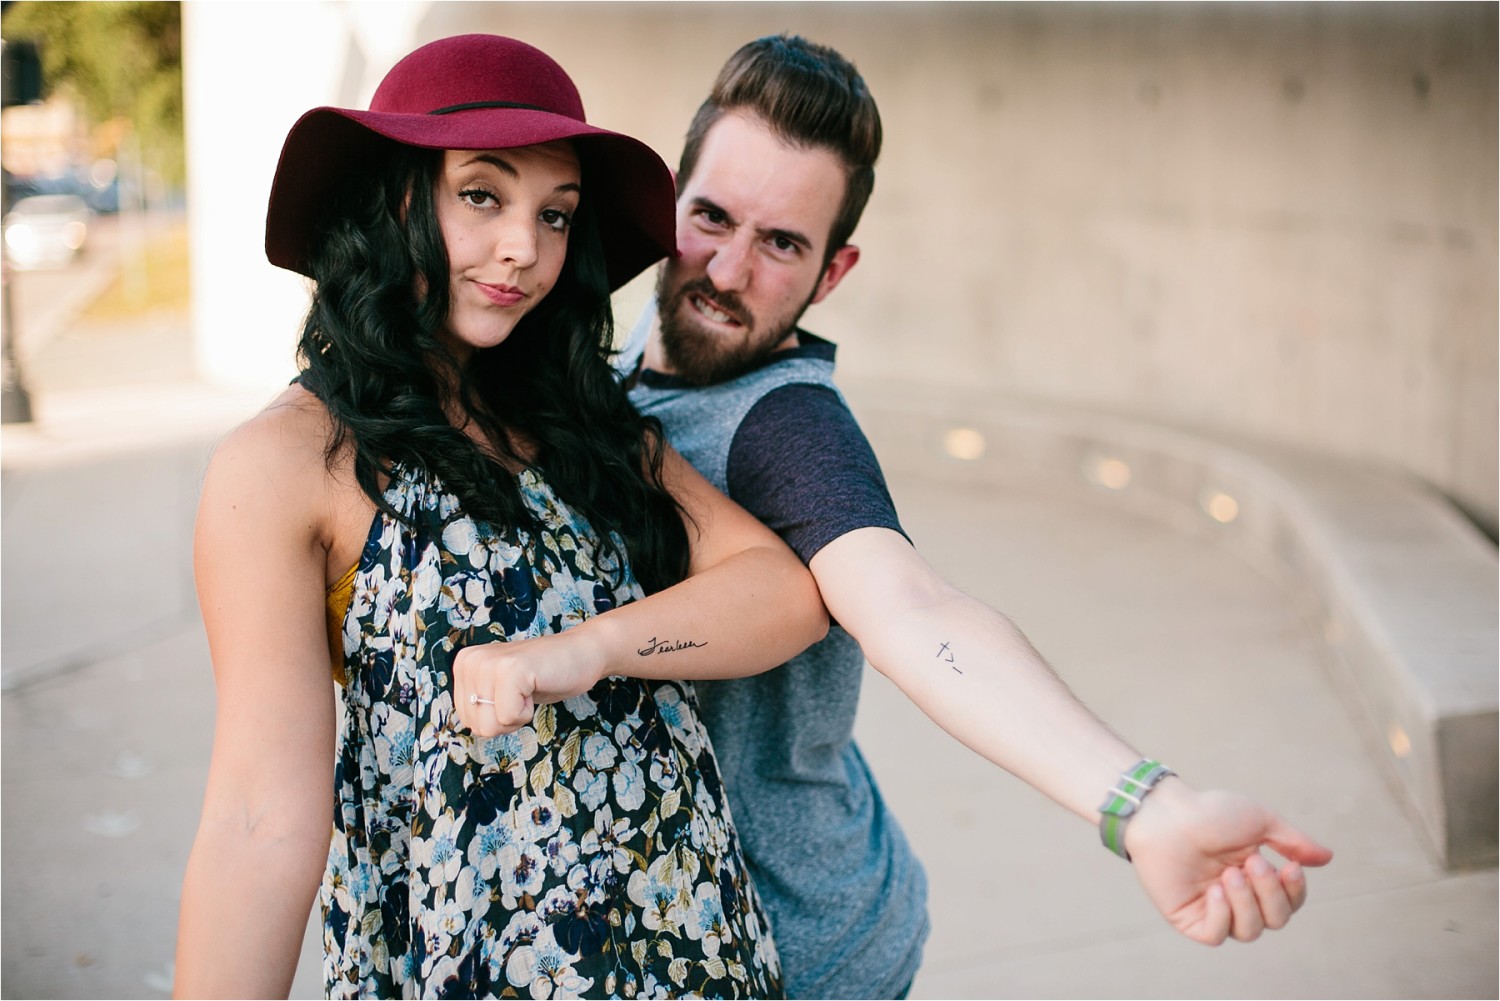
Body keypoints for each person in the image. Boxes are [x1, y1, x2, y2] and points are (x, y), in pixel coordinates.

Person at [623, 34, 1336, 999]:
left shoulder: (787, 428)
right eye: (711, 217)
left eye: (783, 242)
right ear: (673, 200)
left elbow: (917, 614)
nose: (729, 269)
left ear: (835, 272)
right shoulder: (625, 354)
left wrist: (1143, 805)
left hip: (797, 949)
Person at [173, 34, 828, 1000]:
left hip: (696, 950)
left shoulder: (582, 424)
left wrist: (589, 647)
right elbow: (256, 820)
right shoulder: (283, 463)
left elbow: (782, 593)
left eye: (556, 214)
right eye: (482, 195)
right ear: (397, 199)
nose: (526, 247)